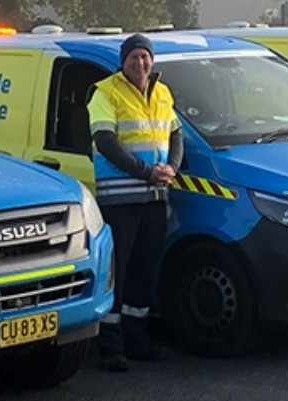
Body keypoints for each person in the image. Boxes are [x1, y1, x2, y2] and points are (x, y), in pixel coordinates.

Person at [88, 34, 177, 372]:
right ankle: (110, 347)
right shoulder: (105, 92)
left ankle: (137, 339)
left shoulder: (162, 92)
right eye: (134, 57)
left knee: (144, 270)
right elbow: (105, 141)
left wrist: (172, 168)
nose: (140, 63)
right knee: (118, 273)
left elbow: (176, 134)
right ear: (123, 61)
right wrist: (146, 172)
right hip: (120, 198)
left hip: (155, 196)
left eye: (145, 57)